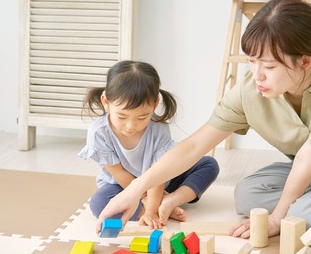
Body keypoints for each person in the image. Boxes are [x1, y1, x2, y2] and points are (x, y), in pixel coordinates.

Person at [93, 0, 311, 250]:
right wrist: (133, 191)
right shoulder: (253, 89)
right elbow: (194, 146)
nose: (257, 74)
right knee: (248, 196)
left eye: (269, 66)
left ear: (305, 62)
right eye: (251, 61)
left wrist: (277, 218)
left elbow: (310, 155)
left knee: (306, 216)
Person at [78, 60, 219, 229]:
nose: (131, 126)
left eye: (142, 117)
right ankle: (162, 207)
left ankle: (171, 201)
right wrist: (145, 202)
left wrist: (152, 210)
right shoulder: (99, 133)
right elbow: (119, 174)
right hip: (122, 186)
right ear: (106, 102)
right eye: (122, 117)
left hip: (161, 180)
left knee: (208, 164)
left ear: (155, 105)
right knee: (100, 203)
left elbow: (160, 172)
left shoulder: (159, 130)